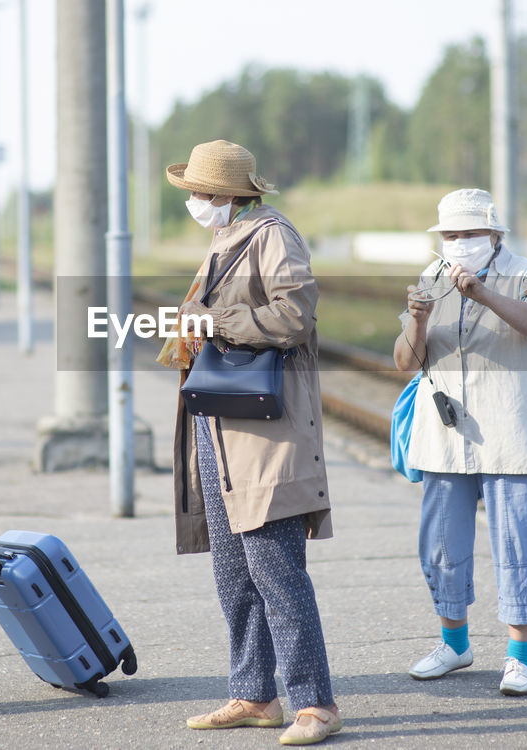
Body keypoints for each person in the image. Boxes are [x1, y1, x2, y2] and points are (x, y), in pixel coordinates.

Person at [157, 139, 341, 746]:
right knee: (234, 574)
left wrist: (216, 323)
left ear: (226, 195)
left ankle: (315, 704)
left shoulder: (271, 235)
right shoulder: (225, 239)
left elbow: (296, 315)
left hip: (264, 435)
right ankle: (255, 694)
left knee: (277, 570)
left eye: (196, 194)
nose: (191, 202)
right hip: (218, 428)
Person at [393, 187, 527, 697]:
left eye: (469, 234)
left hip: (513, 434)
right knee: (441, 545)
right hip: (447, 437)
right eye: (450, 234)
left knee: (516, 546)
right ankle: (454, 644)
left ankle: (519, 657)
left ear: (494, 234)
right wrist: (419, 320)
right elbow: (404, 361)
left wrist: (483, 294)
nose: (459, 242)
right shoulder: (431, 278)